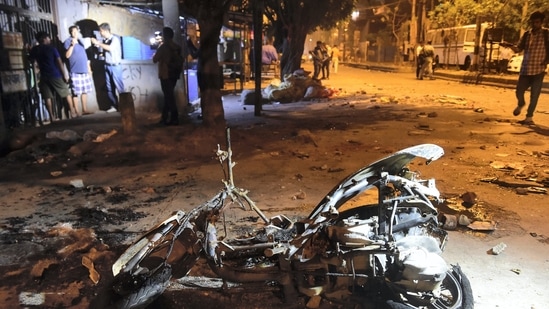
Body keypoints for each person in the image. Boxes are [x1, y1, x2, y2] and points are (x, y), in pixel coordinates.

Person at [511, 11, 549, 125]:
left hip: (539, 69)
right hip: (526, 68)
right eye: (533, 22)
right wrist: (510, 47)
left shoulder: (546, 34)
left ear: (541, 22)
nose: (535, 24)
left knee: (535, 95)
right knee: (519, 91)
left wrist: (546, 61)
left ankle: (529, 117)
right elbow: (519, 49)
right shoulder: (527, 34)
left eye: (537, 22)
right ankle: (521, 103)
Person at [29, 31, 75, 122]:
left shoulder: (35, 49)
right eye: (48, 38)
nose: (49, 39)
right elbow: (59, 62)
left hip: (44, 76)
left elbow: (31, 60)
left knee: (47, 97)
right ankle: (73, 112)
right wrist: (65, 74)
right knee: (66, 93)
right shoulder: (51, 49)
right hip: (55, 74)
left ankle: (51, 117)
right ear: (44, 39)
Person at [152, 27, 182, 126]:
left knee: (169, 97)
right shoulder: (177, 47)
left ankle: (174, 118)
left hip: (165, 74)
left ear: (165, 36)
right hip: (174, 74)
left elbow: (155, 59)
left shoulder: (163, 47)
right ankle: (164, 118)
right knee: (168, 96)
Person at [91, 22, 124, 113]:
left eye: (101, 31)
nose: (100, 33)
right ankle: (114, 105)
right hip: (107, 66)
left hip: (115, 66)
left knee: (119, 88)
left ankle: (124, 106)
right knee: (109, 88)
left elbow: (110, 48)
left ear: (105, 31)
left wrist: (98, 43)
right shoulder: (105, 40)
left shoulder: (115, 39)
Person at [64, 25, 94, 116]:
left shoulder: (81, 42)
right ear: (70, 33)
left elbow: (85, 56)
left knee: (85, 91)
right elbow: (67, 55)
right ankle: (77, 111)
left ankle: (85, 109)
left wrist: (89, 68)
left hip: (84, 70)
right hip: (75, 70)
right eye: (73, 32)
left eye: (76, 31)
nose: (75, 33)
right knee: (76, 92)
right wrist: (72, 45)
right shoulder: (68, 42)